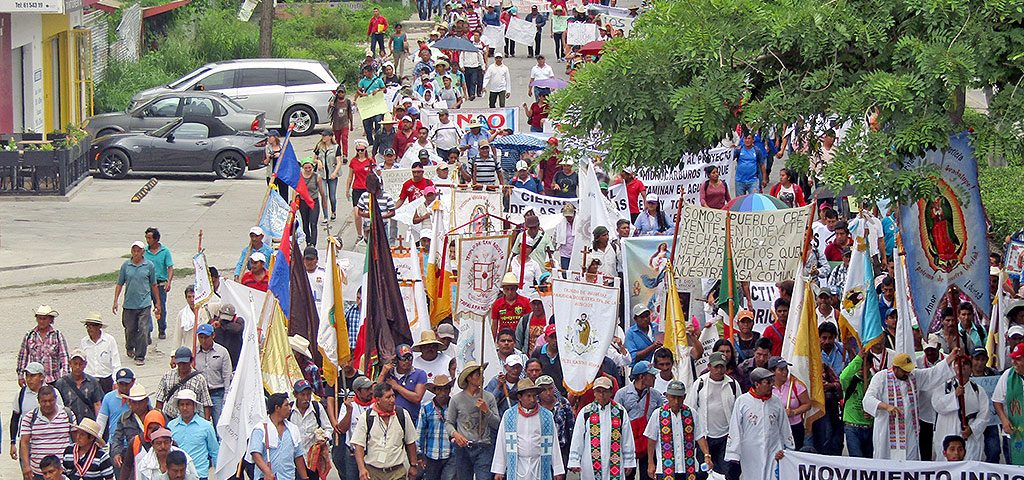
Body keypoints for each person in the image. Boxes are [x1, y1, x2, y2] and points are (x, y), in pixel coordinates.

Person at [862, 350, 958, 460]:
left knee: (910, 462)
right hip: (887, 433)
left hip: (909, 432)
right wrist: (887, 407)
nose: (907, 373)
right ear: (895, 368)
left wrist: (951, 357)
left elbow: (933, 374)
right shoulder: (881, 377)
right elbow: (868, 399)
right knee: (887, 464)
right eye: (904, 371)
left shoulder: (913, 376)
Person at [725, 368, 793, 479]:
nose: (772, 385)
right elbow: (735, 427)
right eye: (767, 382)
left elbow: (784, 426)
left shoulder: (776, 402)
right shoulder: (742, 401)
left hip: (773, 450)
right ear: (757, 384)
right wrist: (733, 453)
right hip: (750, 452)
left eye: (772, 381)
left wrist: (789, 450)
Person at [491, 378, 564, 480]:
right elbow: (502, 442)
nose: (532, 399)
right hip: (517, 466)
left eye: (534, 395)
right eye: (528, 396)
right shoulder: (509, 415)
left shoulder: (546, 416)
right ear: (520, 397)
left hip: (539, 465)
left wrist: (557, 469)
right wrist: (499, 470)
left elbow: (554, 443)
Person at [568, 377, 636, 480]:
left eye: (605, 391)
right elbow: (577, 438)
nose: (602, 395)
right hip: (590, 462)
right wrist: (574, 460)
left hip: (614, 461)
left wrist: (629, 461)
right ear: (594, 393)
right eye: (598, 391)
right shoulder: (586, 412)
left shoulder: (620, 411)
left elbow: (627, 438)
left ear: (611, 392)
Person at [643, 380, 710, 480]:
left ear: (684, 397)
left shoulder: (692, 413)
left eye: (679, 397)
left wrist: (707, 455)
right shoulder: (658, 414)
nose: (676, 401)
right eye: (673, 397)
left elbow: (700, 436)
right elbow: (651, 439)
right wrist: (651, 463)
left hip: (689, 467)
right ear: (667, 396)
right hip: (665, 468)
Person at [686, 352, 739, 477]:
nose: (719, 370)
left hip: (726, 437)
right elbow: (691, 408)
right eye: (716, 367)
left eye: (722, 366)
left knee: (726, 473)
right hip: (705, 437)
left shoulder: (733, 384)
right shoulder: (700, 383)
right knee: (704, 472)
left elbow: (738, 411)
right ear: (709, 366)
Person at [352, 383, 419, 480]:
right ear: (378, 400)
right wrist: (362, 469)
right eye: (388, 397)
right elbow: (359, 446)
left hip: (397, 472)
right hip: (373, 473)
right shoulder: (366, 417)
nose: (392, 400)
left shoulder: (402, 415)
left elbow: (411, 442)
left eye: (393, 396)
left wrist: (413, 465)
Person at [446, 361, 500, 480]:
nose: (482, 377)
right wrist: (456, 434)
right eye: (478, 375)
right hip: (464, 447)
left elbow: (497, 424)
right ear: (469, 378)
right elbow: (448, 423)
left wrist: (486, 411)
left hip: (484, 446)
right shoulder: (456, 399)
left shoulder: (489, 397)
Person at [614, 361, 664, 480]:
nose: (655, 378)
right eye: (652, 375)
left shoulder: (656, 396)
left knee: (648, 475)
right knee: (627, 475)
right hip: (627, 442)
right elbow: (616, 419)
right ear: (642, 377)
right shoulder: (622, 394)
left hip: (648, 443)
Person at [931, 362, 989, 461]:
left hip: (969, 437)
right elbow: (937, 406)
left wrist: (972, 429)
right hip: (947, 431)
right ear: (953, 367)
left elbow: (984, 415)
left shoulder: (978, 390)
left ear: (971, 368)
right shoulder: (943, 387)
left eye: (965, 364)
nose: (961, 366)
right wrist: (954, 395)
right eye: (958, 364)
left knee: (969, 467)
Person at [18, 386, 75, 480]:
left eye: (51, 400)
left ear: (56, 399)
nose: (48, 404)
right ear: (38, 401)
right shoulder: (30, 418)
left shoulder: (67, 414)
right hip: (38, 472)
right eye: (44, 401)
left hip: (62, 470)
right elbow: (24, 443)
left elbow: (75, 441)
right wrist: (26, 466)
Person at [250, 394, 309, 480]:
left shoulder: (293, 429)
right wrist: (267, 472)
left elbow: (298, 456)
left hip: (288, 477)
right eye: (286, 405)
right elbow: (255, 453)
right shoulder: (260, 429)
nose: (290, 408)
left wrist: (305, 477)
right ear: (277, 408)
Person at [166, 390, 217, 480]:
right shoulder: (171, 426)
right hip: (178, 475)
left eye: (188, 404)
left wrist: (219, 474)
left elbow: (214, 451)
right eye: (182, 404)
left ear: (194, 406)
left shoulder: (206, 426)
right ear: (178, 407)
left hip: (200, 475)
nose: (185, 408)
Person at [332, 376, 375, 480]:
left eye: (371, 388)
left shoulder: (376, 404)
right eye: (367, 389)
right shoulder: (348, 405)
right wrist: (349, 411)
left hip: (373, 452)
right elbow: (342, 429)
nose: (370, 392)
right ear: (357, 391)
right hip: (353, 454)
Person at [18, 305, 71, 386]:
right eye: (39, 318)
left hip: (53, 379)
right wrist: (20, 375)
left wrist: (65, 375)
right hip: (35, 380)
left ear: (50, 320)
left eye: (44, 319)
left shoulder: (57, 335)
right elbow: (23, 356)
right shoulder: (30, 336)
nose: (41, 321)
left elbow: (64, 356)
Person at [155, 347, 212, 421]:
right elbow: (159, 400)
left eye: (184, 363)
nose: (182, 366)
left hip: (192, 419)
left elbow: (206, 403)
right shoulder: (167, 376)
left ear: (191, 361)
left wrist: (206, 422)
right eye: (179, 363)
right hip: (170, 417)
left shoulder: (199, 379)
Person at [108, 385, 152, 479]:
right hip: (134, 459)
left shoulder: (156, 416)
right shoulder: (124, 418)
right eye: (134, 403)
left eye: (140, 402)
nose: (137, 406)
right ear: (130, 402)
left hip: (154, 458)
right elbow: (117, 438)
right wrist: (116, 453)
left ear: (146, 401)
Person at [767, 357, 811, 450]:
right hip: (774, 427)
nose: (785, 372)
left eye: (786, 369)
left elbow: (807, 404)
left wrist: (794, 412)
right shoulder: (767, 387)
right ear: (772, 371)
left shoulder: (796, 385)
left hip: (794, 427)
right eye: (781, 370)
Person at [289, 380, 329, 480]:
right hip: (293, 460)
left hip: (313, 460)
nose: (306, 398)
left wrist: (325, 438)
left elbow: (328, 428)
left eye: (308, 395)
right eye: (302, 395)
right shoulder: (289, 411)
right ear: (295, 395)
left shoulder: (317, 408)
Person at [377, 344, 427, 423]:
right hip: (389, 419)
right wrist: (383, 373)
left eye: (410, 358)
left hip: (411, 419)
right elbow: (376, 393)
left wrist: (397, 386)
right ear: (397, 359)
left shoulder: (420, 374)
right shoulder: (389, 373)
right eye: (404, 358)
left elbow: (417, 398)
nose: (407, 361)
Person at [418, 375, 455, 480]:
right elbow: (420, 432)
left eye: (446, 389)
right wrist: (420, 455)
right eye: (439, 389)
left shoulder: (455, 406)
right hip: (431, 455)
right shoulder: (426, 407)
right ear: (435, 391)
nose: (443, 393)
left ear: (449, 390)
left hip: (451, 454)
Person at [193, 324, 231, 427]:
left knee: (219, 423)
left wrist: (227, 395)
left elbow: (227, 375)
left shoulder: (222, 352)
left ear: (213, 335)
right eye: (201, 337)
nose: (203, 341)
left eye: (206, 337)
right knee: (201, 424)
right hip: (200, 394)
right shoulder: (194, 353)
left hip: (217, 392)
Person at [993, 342, 1024, 464]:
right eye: (1013, 359)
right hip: (1014, 434)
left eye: (1018, 359)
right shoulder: (1008, 375)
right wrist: (1004, 420)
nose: (1014, 363)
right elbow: (997, 400)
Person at [54, 350, 103, 422]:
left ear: (85, 365)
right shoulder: (61, 383)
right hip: (68, 422)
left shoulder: (93, 382)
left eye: (81, 364)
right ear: (70, 364)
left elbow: (97, 404)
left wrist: (98, 423)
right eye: (75, 364)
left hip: (88, 422)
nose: (77, 367)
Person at [143, 227, 174, 340]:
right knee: (145, 307)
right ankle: (147, 330)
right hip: (147, 284)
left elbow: (170, 267)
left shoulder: (165, 251)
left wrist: (169, 282)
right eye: (146, 238)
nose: (147, 240)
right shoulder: (144, 251)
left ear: (156, 239)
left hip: (160, 284)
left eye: (149, 238)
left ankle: (162, 329)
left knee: (160, 307)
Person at [77, 313, 119, 393]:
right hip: (89, 379)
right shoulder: (84, 342)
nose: (89, 329)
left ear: (99, 327)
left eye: (92, 326)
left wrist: (115, 381)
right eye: (87, 326)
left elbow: (116, 362)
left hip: (106, 379)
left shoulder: (109, 340)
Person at [413, 331, 452, 404]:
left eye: (433, 346)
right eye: (426, 347)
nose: (430, 349)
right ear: (421, 349)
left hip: (446, 406)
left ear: (437, 347)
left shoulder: (447, 361)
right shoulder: (414, 364)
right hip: (421, 408)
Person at [96, 368, 134, 444]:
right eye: (121, 384)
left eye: (127, 384)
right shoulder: (108, 397)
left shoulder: (139, 398)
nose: (124, 387)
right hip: (115, 442)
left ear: (133, 382)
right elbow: (102, 419)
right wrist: (98, 437)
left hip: (135, 441)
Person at [298, 157, 328, 247]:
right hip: (303, 201)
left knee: (313, 222)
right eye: (306, 168)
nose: (308, 170)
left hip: (313, 201)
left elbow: (321, 191)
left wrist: (324, 202)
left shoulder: (316, 177)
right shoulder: (300, 176)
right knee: (305, 222)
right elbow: (296, 189)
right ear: (303, 168)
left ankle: (313, 243)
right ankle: (308, 241)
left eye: (309, 168)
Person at [313, 130, 342, 222]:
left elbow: (339, 162)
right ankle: (325, 215)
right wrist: (318, 162)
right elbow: (314, 158)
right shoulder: (319, 146)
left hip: (332, 174)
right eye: (322, 135)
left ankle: (333, 211)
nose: (323, 137)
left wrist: (335, 172)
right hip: (322, 174)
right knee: (324, 195)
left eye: (325, 136)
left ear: (330, 137)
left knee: (332, 196)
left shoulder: (336, 147)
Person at [532, 326, 566, 398]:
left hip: (563, 394)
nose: (555, 340)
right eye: (552, 337)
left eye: (557, 337)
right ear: (545, 338)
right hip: (542, 394)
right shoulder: (538, 352)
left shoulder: (565, 353)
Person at [330, 87, 354, 159]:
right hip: (336, 124)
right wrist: (330, 106)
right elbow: (329, 112)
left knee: (344, 139)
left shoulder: (347, 102)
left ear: (345, 93)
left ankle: (345, 155)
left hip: (345, 124)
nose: (341, 94)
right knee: (337, 140)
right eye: (339, 92)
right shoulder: (334, 101)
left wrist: (351, 124)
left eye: (342, 92)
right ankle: (338, 154)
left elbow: (350, 113)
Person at [552, 204, 576, 270]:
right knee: (565, 272)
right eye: (567, 216)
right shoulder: (560, 223)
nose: (568, 218)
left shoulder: (579, 222)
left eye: (570, 216)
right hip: (565, 252)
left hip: (576, 251)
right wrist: (552, 248)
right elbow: (555, 235)